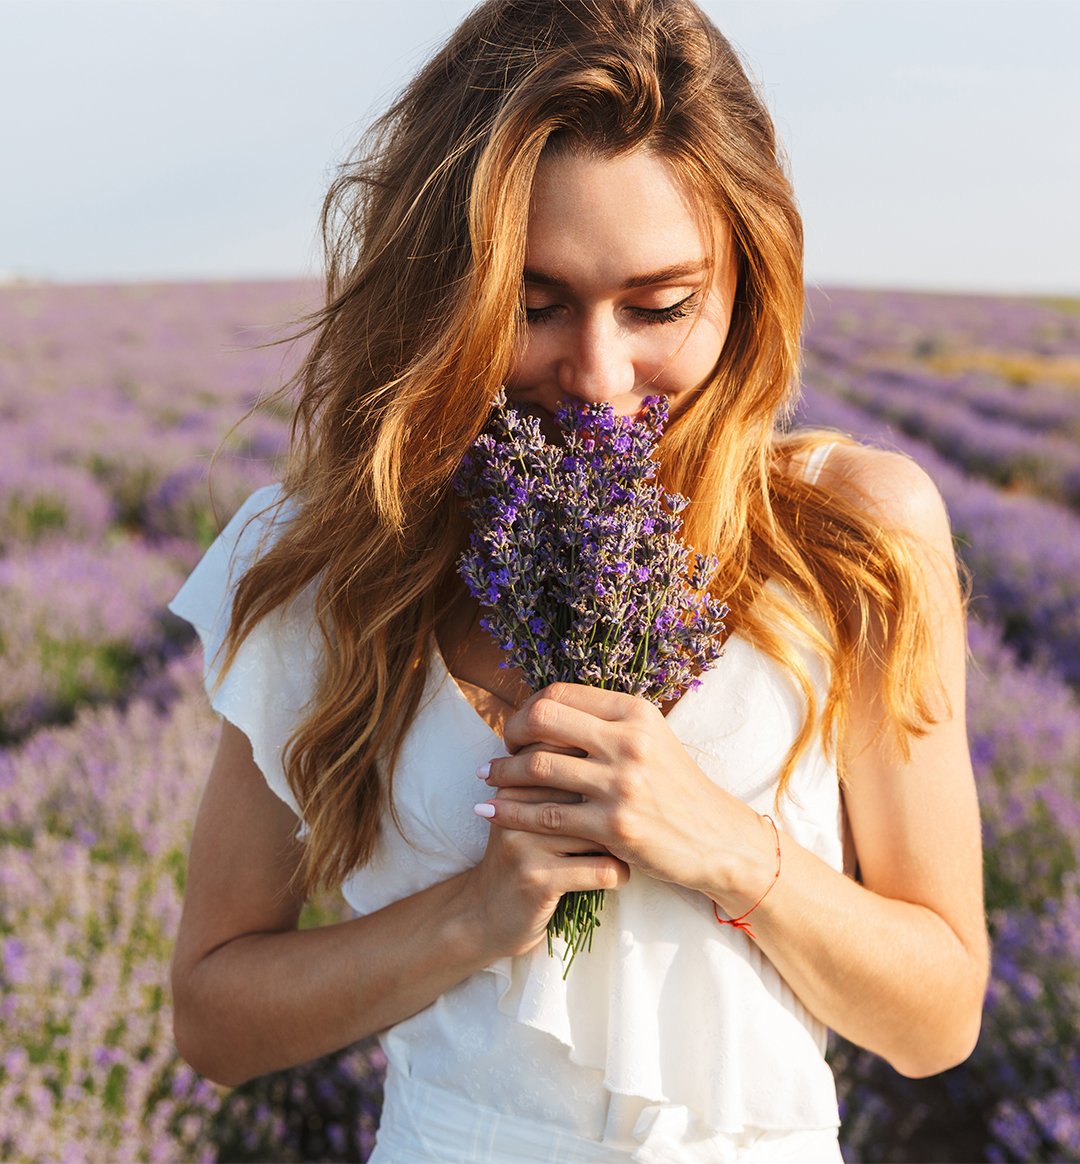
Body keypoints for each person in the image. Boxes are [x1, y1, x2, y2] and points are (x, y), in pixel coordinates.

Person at [168, 1, 989, 1160]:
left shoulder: (851, 534)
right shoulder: (335, 554)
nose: (600, 378)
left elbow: (940, 1018)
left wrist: (722, 846)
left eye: (660, 306)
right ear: (443, 289)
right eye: (535, 305)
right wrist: (470, 916)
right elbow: (213, 1019)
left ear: (747, 282)